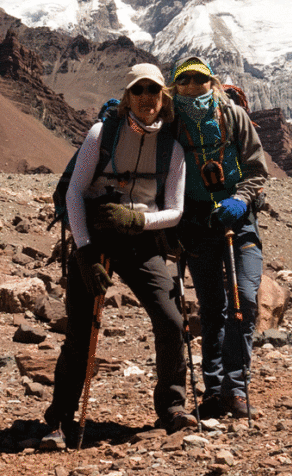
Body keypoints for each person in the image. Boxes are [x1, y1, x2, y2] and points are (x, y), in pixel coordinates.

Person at [41, 63, 194, 450]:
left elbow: (174, 210)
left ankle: (172, 408)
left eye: (154, 91)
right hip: (95, 237)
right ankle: (59, 420)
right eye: (139, 90)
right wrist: (86, 252)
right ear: (127, 97)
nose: (147, 98)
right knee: (80, 333)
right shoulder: (101, 134)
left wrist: (137, 220)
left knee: (171, 319)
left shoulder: (172, 148)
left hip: (141, 240)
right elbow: (75, 193)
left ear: (163, 98)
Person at [169, 56, 268, 420]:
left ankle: (236, 387)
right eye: (185, 81)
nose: (192, 87)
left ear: (212, 83)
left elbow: (257, 169)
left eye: (200, 80)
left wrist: (240, 199)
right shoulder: (171, 121)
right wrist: (114, 120)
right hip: (196, 225)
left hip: (237, 223)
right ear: (175, 86)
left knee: (244, 300)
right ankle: (214, 390)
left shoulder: (232, 117)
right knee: (211, 309)